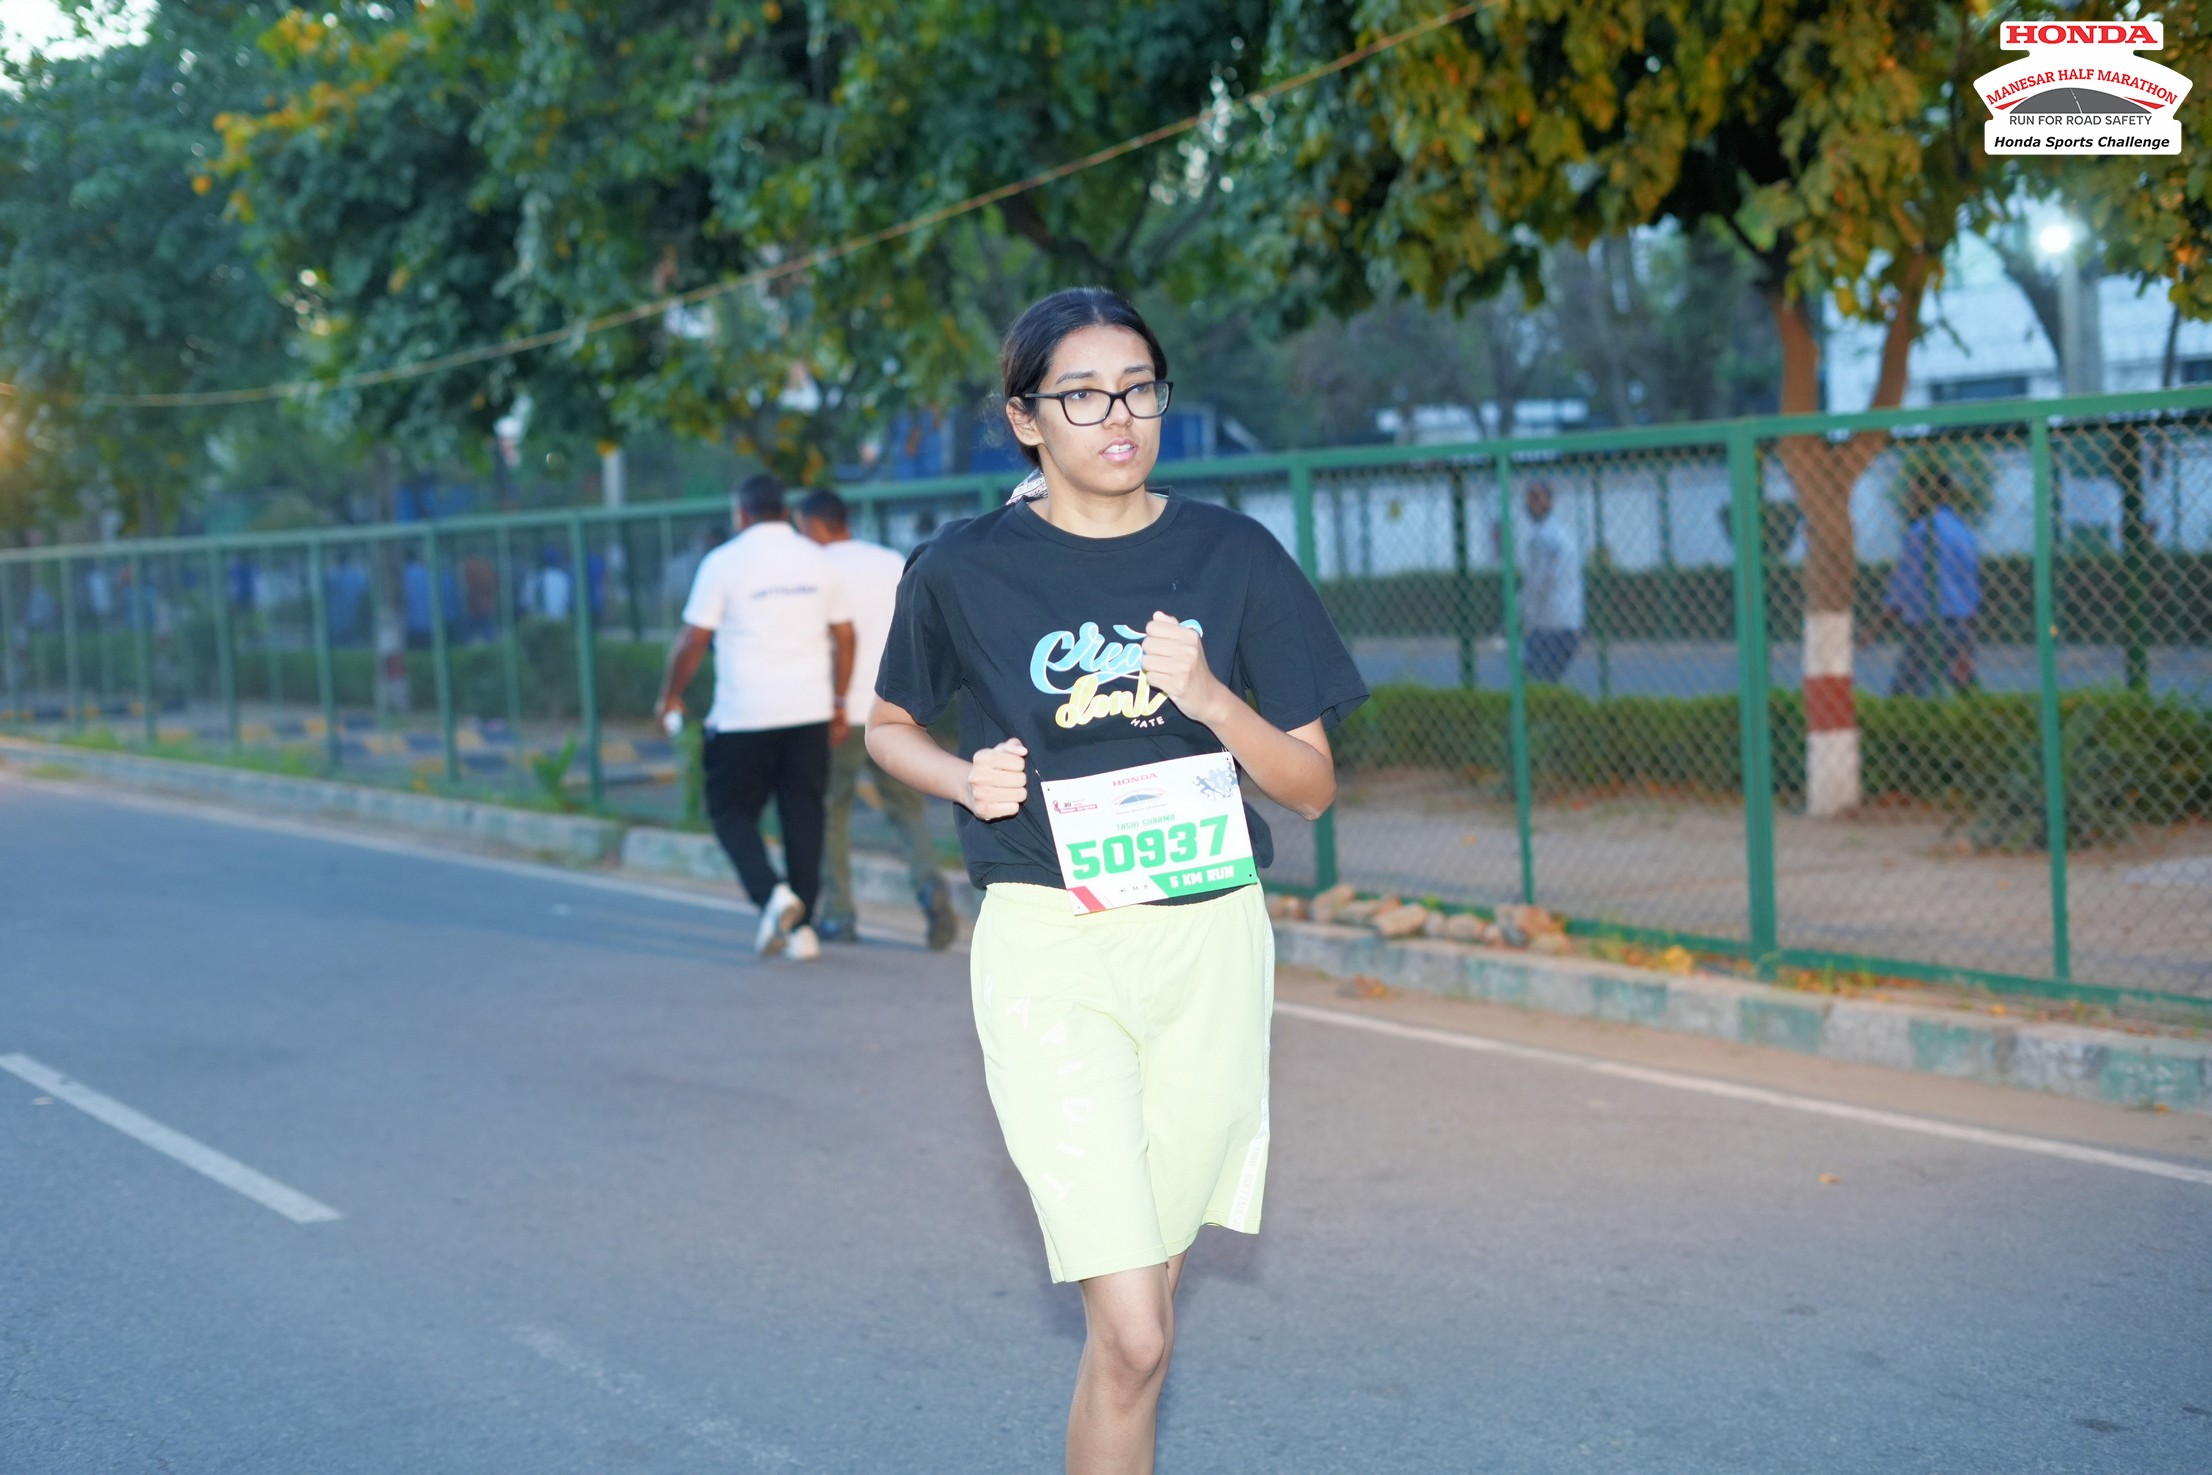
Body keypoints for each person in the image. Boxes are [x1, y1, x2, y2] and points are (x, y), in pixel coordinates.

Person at [867, 287, 1367, 1473]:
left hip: (1208, 943)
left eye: (1138, 389)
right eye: (1083, 395)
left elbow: (1309, 785)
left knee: (1134, 1341)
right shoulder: (962, 569)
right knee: (1136, 1329)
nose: (1118, 416)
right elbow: (887, 724)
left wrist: (1212, 698)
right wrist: (961, 776)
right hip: (1051, 941)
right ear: (1025, 418)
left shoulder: (1232, 554)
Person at [655, 474, 856, 962]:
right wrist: (838, 701)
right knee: (803, 816)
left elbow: (693, 639)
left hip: (745, 714)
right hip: (809, 711)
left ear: (741, 513)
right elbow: (846, 635)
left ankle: (772, 896)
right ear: (784, 511)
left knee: (728, 810)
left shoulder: (723, 562)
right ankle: (802, 931)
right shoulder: (816, 559)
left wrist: (670, 696)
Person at [793, 486, 960, 950]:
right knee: (906, 810)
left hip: (838, 712)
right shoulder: (889, 561)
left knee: (832, 812)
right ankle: (929, 886)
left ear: (814, 525)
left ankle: (839, 913)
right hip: (897, 709)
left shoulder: (814, 568)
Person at [1879, 471, 1981, 697]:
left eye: (1913, 494)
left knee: (1905, 692)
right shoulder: (1963, 532)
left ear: (1927, 495)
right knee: (1964, 692)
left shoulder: (1920, 533)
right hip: (1962, 625)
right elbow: (1972, 589)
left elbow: (1903, 588)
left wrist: (1876, 628)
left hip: (1930, 627)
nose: (1909, 500)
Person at [1514, 480, 1584, 683]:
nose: (1531, 504)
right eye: (1529, 499)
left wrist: (1518, 610)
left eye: (1537, 498)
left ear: (1550, 502)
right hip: (1566, 623)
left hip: (1551, 625)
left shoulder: (1544, 538)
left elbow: (1537, 583)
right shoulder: (1557, 533)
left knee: (1535, 677)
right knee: (1544, 679)